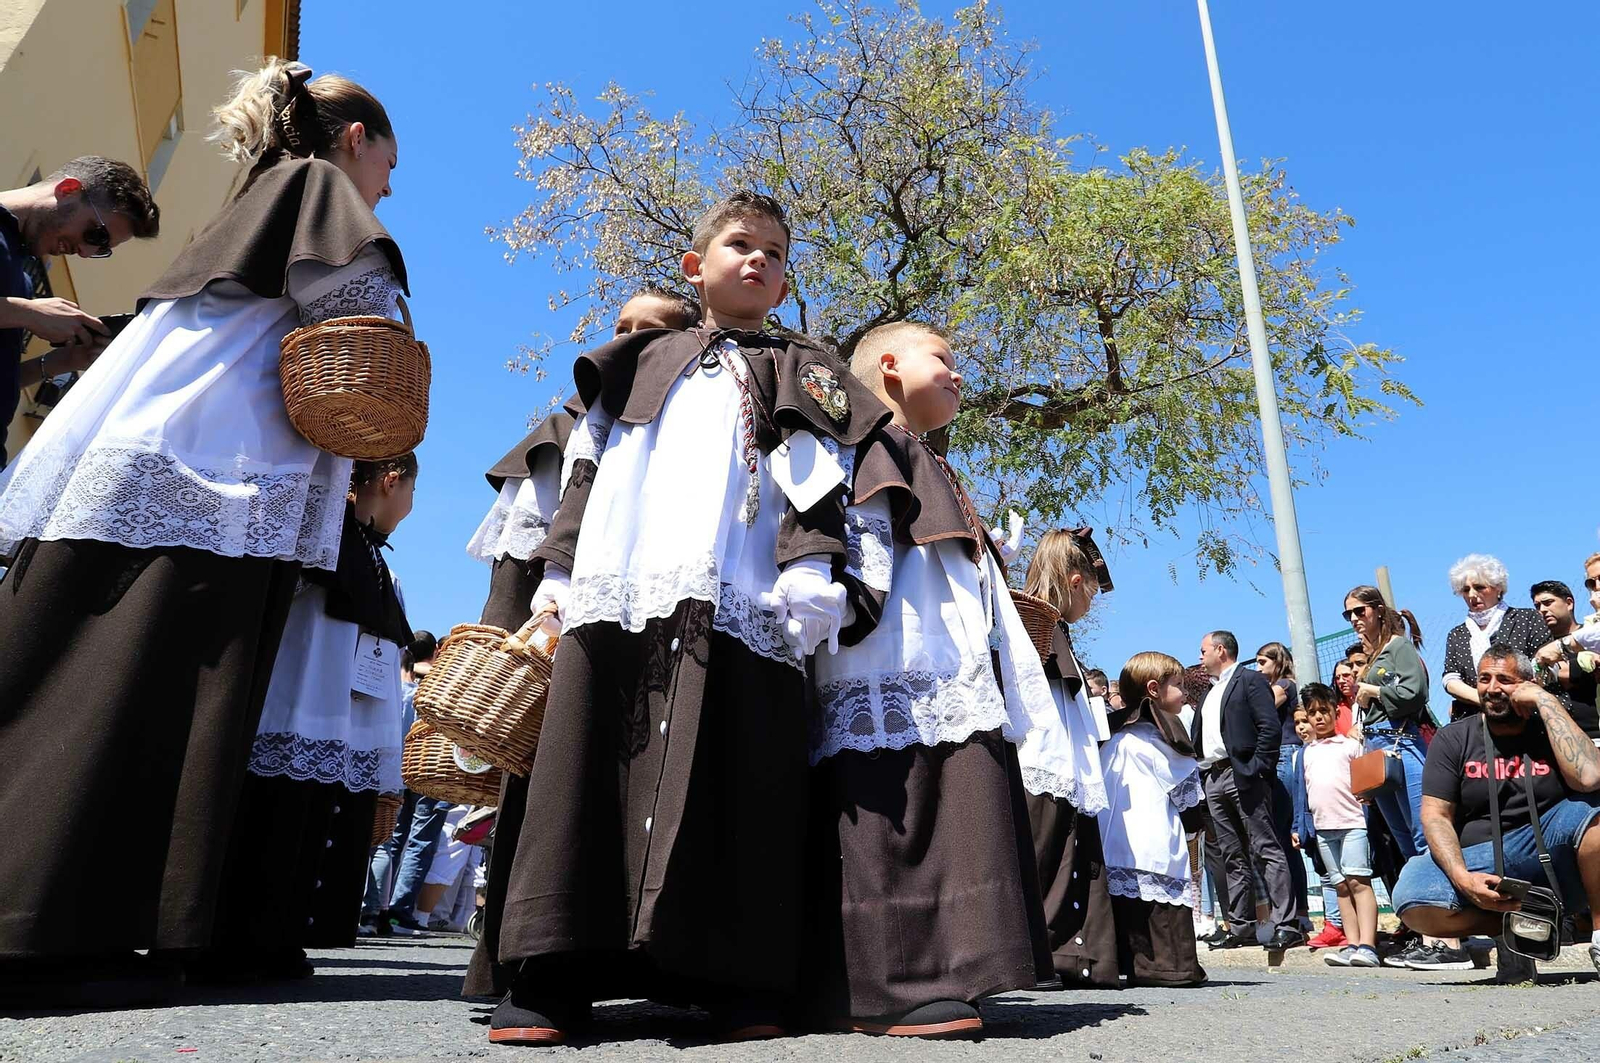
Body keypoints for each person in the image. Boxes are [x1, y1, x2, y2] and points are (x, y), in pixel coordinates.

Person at [0, 59, 407, 980]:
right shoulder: (312, 185)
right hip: (216, 470)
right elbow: (356, 314)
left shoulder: (254, 196)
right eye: (388, 162)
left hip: (162, 455)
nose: (387, 184)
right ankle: (47, 932)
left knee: (85, 678)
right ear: (353, 142)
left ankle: (69, 921)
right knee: (130, 695)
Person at [489, 191, 890, 1045]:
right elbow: (586, 470)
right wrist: (557, 579)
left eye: (776, 253)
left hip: (745, 589)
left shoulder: (800, 363)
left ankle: (735, 976)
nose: (759, 261)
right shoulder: (639, 358)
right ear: (693, 265)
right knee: (589, 758)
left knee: (743, 771)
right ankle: (556, 971)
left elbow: (816, 472)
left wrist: (814, 564)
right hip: (623, 578)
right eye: (741, 244)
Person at [804, 321, 1084, 1036]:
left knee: (956, 805)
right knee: (894, 811)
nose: (959, 374)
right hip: (885, 656)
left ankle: (957, 965)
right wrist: (851, 618)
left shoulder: (931, 461)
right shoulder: (861, 444)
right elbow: (859, 537)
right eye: (945, 359)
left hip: (950, 662)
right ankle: (888, 982)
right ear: (890, 367)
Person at [461, 288, 700, 1000]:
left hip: (671, 630)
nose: (627, 339)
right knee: (559, 788)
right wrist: (517, 639)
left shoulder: (702, 424)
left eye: (649, 332)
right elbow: (520, 555)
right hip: (577, 625)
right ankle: (528, 960)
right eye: (620, 327)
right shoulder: (567, 424)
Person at [202, 453, 417, 980]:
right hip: (301, 693)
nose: (411, 506)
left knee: (309, 807)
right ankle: (244, 937)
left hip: (327, 703)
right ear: (391, 481)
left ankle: (280, 933)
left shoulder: (364, 546)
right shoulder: (327, 531)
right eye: (411, 491)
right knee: (277, 804)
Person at [1394, 644, 1600, 977]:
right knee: (1411, 897)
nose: (1492, 688)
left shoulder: (1550, 725)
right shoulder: (1453, 738)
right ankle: (1516, 925)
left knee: (1597, 812)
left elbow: (1590, 777)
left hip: (1550, 849)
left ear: (1528, 683)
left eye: (1504, 679)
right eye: (1484, 678)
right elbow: (1435, 816)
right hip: (1483, 856)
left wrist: (1546, 701)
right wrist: (1463, 879)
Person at [0, 157, 160, 467]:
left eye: (102, 249)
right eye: (96, 235)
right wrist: (27, 313)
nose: (85, 252)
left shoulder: (21, 272)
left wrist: (64, 362)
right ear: (69, 189)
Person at [1023, 528, 1118, 986]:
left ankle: (1062, 955)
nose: (1092, 604)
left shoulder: (1052, 628)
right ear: (1076, 581)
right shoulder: (1032, 623)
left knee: (1062, 854)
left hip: (1059, 755)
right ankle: (1033, 955)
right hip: (1038, 754)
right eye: (1093, 593)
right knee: (1042, 852)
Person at [1095, 652, 1207, 986]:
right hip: (1152, 834)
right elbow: (1186, 794)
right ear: (1155, 689)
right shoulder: (1164, 739)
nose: (1185, 694)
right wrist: (1196, 827)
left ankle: (1129, 963)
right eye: (1179, 685)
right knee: (1161, 898)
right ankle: (1170, 967)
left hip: (1113, 838)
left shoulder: (1113, 736)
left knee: (1126, 902)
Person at [1191, 630, 1301, 950]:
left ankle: (1287, 923)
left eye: (1203, 650)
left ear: (1220, 650)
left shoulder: (1250, 680)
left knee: (1265, 846)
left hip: (1243, 775)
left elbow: (1269, 727)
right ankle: (1240, 926)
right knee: (1231, 854)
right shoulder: (1209, 692)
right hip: (1213, 777)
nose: (1200, 657)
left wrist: (1256, 769)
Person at [1297, 683, 1380, 968]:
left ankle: (1368, 946)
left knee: (1359, 882)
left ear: (1335, 711)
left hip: (1353, 824)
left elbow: (1367, 783)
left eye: (1324, 711)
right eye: (1312, 713)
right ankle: (1352, 943)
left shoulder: (1351, 747)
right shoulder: (1305, 753)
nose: (1319, 717)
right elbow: (1303, 794)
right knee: (1341, 886)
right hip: (1323, 829)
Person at [1441, 555, 1549, 722]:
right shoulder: (1457, 635)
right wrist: (1486, 700)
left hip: (1525, 716)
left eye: (1479, 587)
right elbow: (1450, 679)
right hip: (1474, 720)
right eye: (1465, 589)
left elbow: (1545, 664)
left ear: (1498, 588)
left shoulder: (1527, 619)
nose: (1472, 594)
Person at [1257, 641, 1310, 932]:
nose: (1258, 669)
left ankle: (1299, 910)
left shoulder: (1285, 685)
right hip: (1275, 758)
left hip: (1285, 755)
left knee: (1287, 838)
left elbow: (1264, 703)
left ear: (1278, 662)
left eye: (1263, 662)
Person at [1286, 704, 1347, 951]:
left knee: (1348, 874)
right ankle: (1334, 924)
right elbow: (1299, 795)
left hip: (1342, 820)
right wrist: (1297, 826)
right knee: (1325, 872)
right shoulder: (1299, 754)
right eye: (1298, 723)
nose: (1302, 727)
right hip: (1313, 825)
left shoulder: (1339, 747)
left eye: (1306, 721)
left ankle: (1348, 924)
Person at [1529, 578, 1600, 738]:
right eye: (1537, 606)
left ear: (1569, 603)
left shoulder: (1592, 634)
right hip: (1553, 737)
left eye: (1548, 603)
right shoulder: (1538, 646)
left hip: (1594, 732)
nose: (1542, 610)